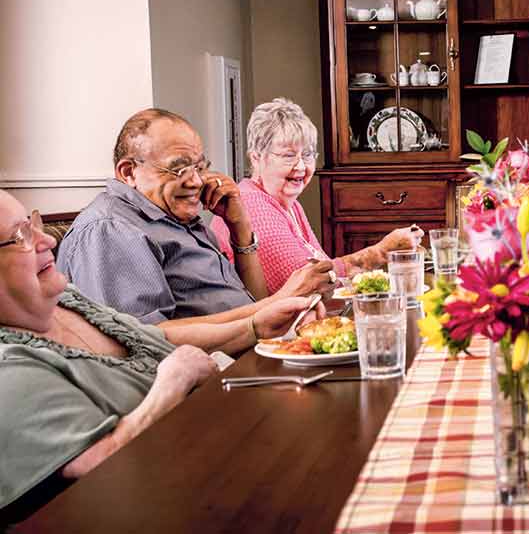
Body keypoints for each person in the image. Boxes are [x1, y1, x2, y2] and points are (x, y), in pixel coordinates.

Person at [0, 189, 324, 521]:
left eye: (33, 223)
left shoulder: (64, 299)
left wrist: (255, 327)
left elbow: (152, 336)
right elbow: (96, 466)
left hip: (216, 456)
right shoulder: (8, 371)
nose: (47, 241)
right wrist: (170, 387)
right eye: (20, 236)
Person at [57, 109, 335, 327]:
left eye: (200, 167)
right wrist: (280, 302)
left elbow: (254, 302)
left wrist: (239, 227)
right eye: (179, 170)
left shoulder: (175, 216)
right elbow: (143, 339)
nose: (196, 182)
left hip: (250, 353)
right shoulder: (111, 229)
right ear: (128, 172)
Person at [210, 98, 423, 294]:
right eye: (288, 155)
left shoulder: (289, 204)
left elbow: (323, 269)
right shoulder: (252, 204)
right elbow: (310, 286)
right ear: (256, 158)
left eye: (308, 154)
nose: (301, 166)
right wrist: (380, 252)